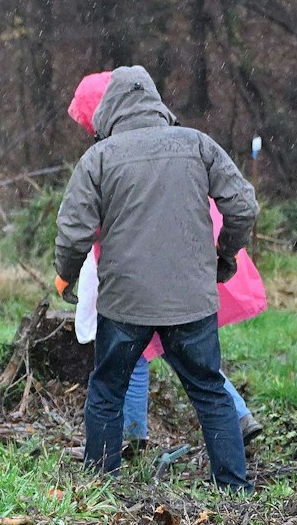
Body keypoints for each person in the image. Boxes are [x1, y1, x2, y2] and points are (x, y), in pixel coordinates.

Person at [54, 65, 257, 491]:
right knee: (209, 390)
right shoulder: (197, 144)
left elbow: (74, 230)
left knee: (107, 391)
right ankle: (235, 491)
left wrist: (65, 276)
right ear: (155, 102)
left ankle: (100, 490)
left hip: (126, 303)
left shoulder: (99, 157)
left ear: (109, 109)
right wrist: (225, 253)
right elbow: (242, 206)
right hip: (191, 299)